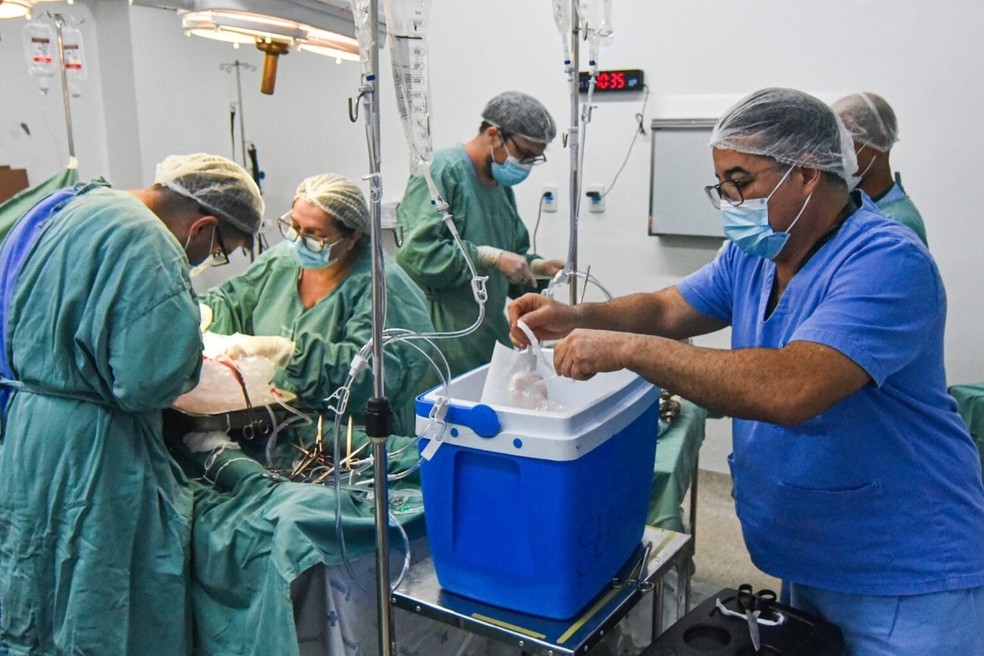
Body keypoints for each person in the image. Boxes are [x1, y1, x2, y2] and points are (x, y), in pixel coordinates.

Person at [510, 88, 984, 656]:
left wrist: (628, 351)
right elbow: (667, 308)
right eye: (723, 187)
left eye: (741, 182)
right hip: (813, 552)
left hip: (905, 568)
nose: (730, 201)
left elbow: (791, 387)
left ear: (807, 175)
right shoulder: (758, 255)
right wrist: (574, 315)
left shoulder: (887, 261)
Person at [0, 153, 264, 655]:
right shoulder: (149, 244)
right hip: (90, 453)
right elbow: (146, 382)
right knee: (96, 599)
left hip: (27, 433)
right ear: (203, 226)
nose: (210, 260)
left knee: (33, 588)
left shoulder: (70, 206)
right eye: (221, 251)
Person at [199, 173, 435, 441]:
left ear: (352, 237)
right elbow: (234, 300)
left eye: (315, 235)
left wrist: (291, 354)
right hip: (279, 426)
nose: (298, 241)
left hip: (350, 438)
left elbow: (373, 381)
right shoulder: (282, 261)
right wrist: (202, 313)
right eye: (294, 226)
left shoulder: (382, 288)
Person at [396, 91, 565, 377]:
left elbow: (513, 253)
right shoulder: (440, 171)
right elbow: (417, 255)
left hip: (485, 339)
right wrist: (487, 257)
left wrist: (536, 267)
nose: (524, 165)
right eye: (523, 154)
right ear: (494, 134)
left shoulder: (500, 188)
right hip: (443, 339)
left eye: (533, 159)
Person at [832, 92, 928, 246]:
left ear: (876, 143)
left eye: (846, 144)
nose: (837, 153)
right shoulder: (855, 206)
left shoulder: (898, 223)